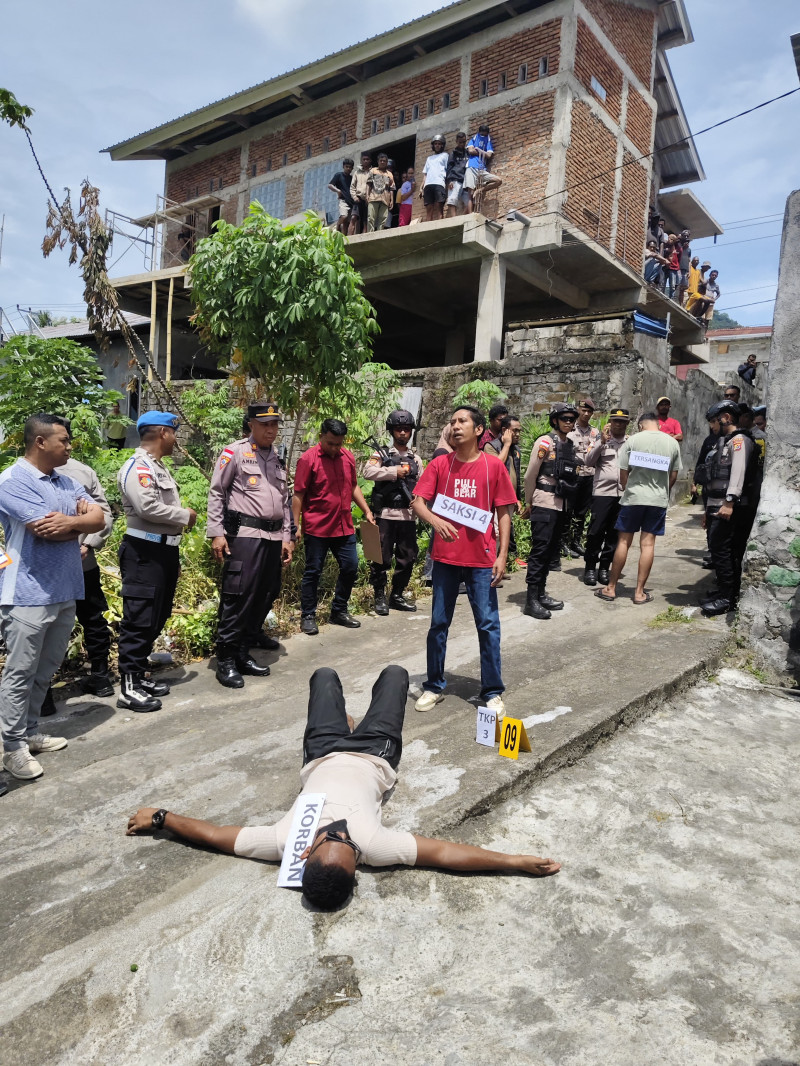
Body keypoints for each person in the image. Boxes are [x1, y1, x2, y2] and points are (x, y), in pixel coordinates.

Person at [126, 665, 560, 909]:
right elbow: (446, 854)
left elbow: (217, 836)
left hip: (322, 750)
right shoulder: (373, 846)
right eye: (344, 842)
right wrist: (513, 861)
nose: (339, 831)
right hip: (376, 751)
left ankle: (344, 720)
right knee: (394, 675)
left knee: (324, 675)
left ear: (305, 854)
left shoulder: (284, 841)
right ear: (356, 868)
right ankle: (363, 721)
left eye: (327, 838)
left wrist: (162, 817)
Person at [0, 413, 104, 781]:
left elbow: (99, 519)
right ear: (40, 442)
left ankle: (28, 732)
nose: (70, 446)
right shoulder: (13, 480)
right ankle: (11, 747)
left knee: (45, 670)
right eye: (64, 440)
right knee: (20, 671)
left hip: (65, 589)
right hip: (27, 592)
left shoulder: (64, 480)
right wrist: (77, 521)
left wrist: (75, 522)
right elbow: (45, 531)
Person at [411, 406, 517, 716]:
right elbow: (418, 502)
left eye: (462, 421)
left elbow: (504, 513)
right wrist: (435, 521)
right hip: (444, 559)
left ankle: (492, 690)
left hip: (482, 560)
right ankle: (433, 685)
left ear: (479, 429)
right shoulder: (440, 464)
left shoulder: (492, 467)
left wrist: (502, 554)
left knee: (487, 625)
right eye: (452, 422)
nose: (455, 426)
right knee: (438, 624)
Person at [207, 402, 293, 689]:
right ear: (251, 425)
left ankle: (243, 652)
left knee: (265, 594)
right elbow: (217, 492)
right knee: (239, 596)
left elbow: (284, 501)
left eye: (274, 424)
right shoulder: (235, 452)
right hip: (244, 536)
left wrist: (287, 536)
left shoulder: (278, 457)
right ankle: (226, 659)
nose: (271, 430)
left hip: (272, 538)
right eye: (265, 424)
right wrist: (216, 533)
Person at [116, 412, 198, 712]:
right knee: (139, 618)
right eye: (174, 433)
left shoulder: (157, 467)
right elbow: (147, 506)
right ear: (163, 433)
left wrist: (172, 551)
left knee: (157, 616)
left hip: (162, 552)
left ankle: (138, 677)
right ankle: (127, 689)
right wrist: (185, 516)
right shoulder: (138, 467)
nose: (176, 439)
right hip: (143, 553)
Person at [293, 418, 376, 636]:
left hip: (343, 525)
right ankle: (308, 615)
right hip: (317, 527)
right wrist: (295, 525)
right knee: (313, 572)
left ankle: (339, 610)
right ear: (321, 436)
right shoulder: (307, 460)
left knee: (351, 566)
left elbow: (354, 486)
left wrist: (366, 510)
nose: (335, 448)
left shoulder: (347, 456)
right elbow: (298, 494)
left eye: (338, 443)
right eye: (330, 443)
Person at [596, 412, 682, 605]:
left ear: (641, 425)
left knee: (623, 542)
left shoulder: (633, 441)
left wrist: (629, 489)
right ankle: (639, 593)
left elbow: (623, 474)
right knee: (648, 545)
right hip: (657, 500)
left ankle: (611, 588)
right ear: (658, 424)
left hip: (633, 498)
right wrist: (662, 491)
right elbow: (674, 476)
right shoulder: (672, 443)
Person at [57, 447, 116, 698]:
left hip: (56, 568)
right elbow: (105, 514)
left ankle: (44, 694)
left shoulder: (21, 475)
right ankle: (101, 677)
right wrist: (88, 543)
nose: (67, 446)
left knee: (50, 626)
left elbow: (103, 514)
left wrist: (86, 544)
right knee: (92, 618)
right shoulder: (83, 471)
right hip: (82, 561)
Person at [696, 401, 758, 616]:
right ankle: (723, 591)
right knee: (719, 550)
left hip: (730, 506)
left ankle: (727, 598)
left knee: (723, 551)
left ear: (726, 418)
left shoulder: (739, 441)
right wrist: (708, 510)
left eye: (714, 422)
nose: (712, 427)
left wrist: (729, 502)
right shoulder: (725, 441)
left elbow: (738, 474)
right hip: (717, 505)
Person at [521, 403, 580, 620]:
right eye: (564, 418)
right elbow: (530, 476)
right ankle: (531, 600)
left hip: (561, 504)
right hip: (544, 502)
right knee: (540, 552)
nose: (568, 422)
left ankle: (541, 593)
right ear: (554, 419)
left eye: (572, 419)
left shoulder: (569, 444)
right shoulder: (545, 442)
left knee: (551, 552)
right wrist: (529, 502)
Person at [363, 410, 422, 616]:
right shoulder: (381, 454)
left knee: (408, 557)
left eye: (406, 429)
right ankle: (379, 596)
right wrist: (393, 472)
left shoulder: (416, 458)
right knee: (381, 558)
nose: (403, 433)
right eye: (399, 429)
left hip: (407, 516)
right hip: (385, 515)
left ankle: (396, 595)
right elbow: (367, 472)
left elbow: (422, 485)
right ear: (392, 431)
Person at [581, 408, 629, 586]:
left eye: (622, 421)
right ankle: (590, 568)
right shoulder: (599, 440)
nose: (618, 424)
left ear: (627, 424)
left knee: (614, 535)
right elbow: (588, 461)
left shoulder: (631, 444)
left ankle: (604, 568)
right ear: (610, 422)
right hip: (602, 494)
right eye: (615, 421)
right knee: (596, 532)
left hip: (622, 495)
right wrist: (601, 442)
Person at [485, 414, 524, 563]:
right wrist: (506, 445)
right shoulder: (491, 446)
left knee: (503, 533)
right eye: (514, 431)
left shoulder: (516, 450)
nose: (517, 434)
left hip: (508, 499)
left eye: (519, 431)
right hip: (494, 499)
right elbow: (496, 467)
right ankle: (490, 567)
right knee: (495, 532)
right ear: (504, 430)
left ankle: (498, 566)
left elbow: (516, 477)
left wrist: (517, 498)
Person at [565, 398, 600, 557]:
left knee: (582, 511)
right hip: (574, 475)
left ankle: (576, 541)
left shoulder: (595, 432)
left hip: (590, 476)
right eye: (583, 410)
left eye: (589, 411)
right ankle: (564, 542)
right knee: (568, 509)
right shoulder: (570, 429)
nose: (586, 414)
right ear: (578, 410)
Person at [464, 124, 502, 213]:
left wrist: (479, 151)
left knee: (498, 180)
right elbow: (470, 150)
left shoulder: (488, 139)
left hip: (481, 169)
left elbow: (489, 155)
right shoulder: (474, 138)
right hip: (471, 167)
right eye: (482, 133)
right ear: (479, 132)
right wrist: (481, 153)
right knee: (470, 193)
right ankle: (470, 214)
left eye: (485, 134)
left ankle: (480, 190)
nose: (483, 135)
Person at [420, 136, 449, 222]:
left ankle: (440, 225)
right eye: (435, 144)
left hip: (439, 183)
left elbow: (448, 171)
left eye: (439, 144)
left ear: (442, 145)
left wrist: (448, 184)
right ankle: (428, 226)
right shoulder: (429, 158)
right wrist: (421, 187)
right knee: (429, 209)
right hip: (428, 185)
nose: (437, 145)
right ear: (433, 145)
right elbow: (425, 174)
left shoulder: (445, 155)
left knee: (439, 207)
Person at [366, 153, 395, 232]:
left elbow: (392, 188)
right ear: (378, 162)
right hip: (373, 198)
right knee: (371, 217)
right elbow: (368, 184)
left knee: (383, 220)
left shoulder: (390, 174)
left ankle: (379, 234)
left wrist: (392, 200)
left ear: (386, 163)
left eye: (384, 161)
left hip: (385, 200)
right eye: (381, 161)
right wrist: (367, 195)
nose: (382, 162)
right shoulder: (373, 171)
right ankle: (370, 234)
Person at [444, 132, 470, 218]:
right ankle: (454, 218)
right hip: (455, 179)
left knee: (468, 202)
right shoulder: (453, 154)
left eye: (464, 142)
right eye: (460, 142)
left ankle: (462, 218)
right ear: (456, 141)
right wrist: (449, 181)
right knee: (452, 200)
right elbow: (449, 168)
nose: (462, 144)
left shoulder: (467, 153)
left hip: (466, 180)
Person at [328, 158, 355, 234]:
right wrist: (338, 191)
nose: (348, 168)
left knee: (347, 223)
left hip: (351, 202)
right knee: (344, 216)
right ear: (343, 166)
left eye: (350, 167)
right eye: (347, 167)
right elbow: (330, 185)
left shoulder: (352, 178)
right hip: (343, 200)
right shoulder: (339, 175)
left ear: (352, 168)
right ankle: (338, 224)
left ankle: (343, 238)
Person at [348, 152, 372, 236]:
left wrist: (369, 198)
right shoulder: (356, 173)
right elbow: (352, 187)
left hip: (368, 199)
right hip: (358, 198)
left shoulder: (372, 172)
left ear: (370, 161)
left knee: (366, 219)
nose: (365, 161)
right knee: (354, 217)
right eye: (364, 159)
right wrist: (354, 197)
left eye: (367, 159)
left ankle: (364, 235)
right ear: (361, 161)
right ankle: (349, 237)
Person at [676, 229, 692, 305]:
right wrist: (683, 248)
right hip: (678, 268)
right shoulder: (678, 246)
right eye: (684, 235)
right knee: (677, 285)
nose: (686, 237)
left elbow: (689, 260)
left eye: (687, 236)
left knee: (683, 288)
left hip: (685, 269)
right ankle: (675, 300)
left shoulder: (689, 250)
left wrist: (689, 271)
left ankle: (680, 304)